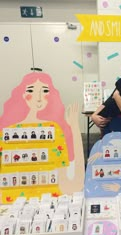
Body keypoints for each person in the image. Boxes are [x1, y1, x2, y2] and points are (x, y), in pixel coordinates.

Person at [0, 71, 84, 203]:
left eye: (44, 91)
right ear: (23, 94)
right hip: (35, 203)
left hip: (47, 204)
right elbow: (73, 185)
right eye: (31, 90)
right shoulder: (7, 134)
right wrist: (74, 127)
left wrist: (74, 127)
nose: (38, 97)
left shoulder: (53, 130)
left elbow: (73, 184)